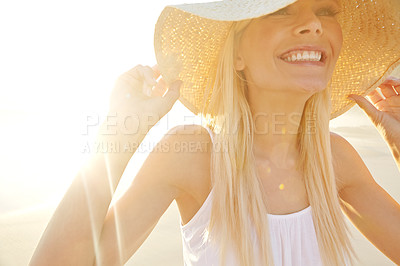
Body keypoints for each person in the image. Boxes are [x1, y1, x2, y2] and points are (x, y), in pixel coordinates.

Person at [30, 0, 400, 265]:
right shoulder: (193, 156)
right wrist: (117, 135)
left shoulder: (336, 160)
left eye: (326, 11)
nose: (314, 25)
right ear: (237, 52)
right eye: (280, 10)